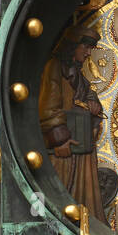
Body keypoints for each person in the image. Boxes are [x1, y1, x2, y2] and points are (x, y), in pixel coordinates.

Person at [39, 24, 105, 215]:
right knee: (61, 194)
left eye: (90, 49)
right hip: (65, 148)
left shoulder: (75, 72)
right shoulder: (55, 67)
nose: (87, 53)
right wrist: (59, 139)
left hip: (79, 146)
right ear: (72, 46)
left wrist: (93, 102)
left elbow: (85, 93)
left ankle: (88, 227)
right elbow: (48, 106)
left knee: (82, 197)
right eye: (85, 47)